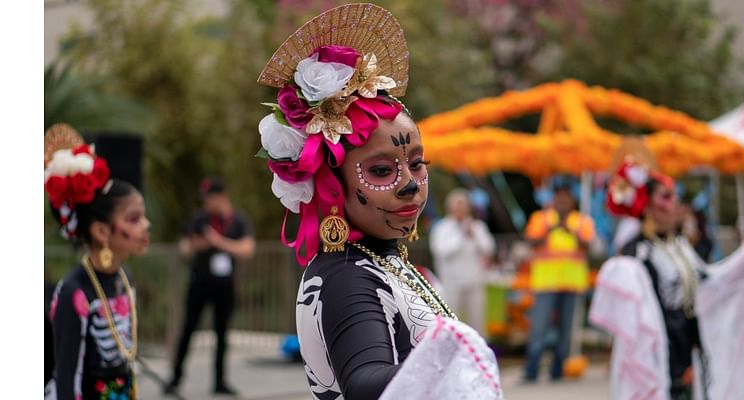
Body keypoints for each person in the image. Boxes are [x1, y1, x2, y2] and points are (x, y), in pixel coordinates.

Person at [255, 4, 502, 399]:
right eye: (382, 171)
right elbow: (365, 383)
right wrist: (458, 360)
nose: (410, 185)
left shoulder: (380, 262)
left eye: (417, 164)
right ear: (331, 186)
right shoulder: (348, 275)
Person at [590, 157, 744, 399]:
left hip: (690, 346)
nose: (674, 203)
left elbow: (707, 284)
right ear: (646, 206)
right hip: (662, 350)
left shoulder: (679, 245)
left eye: (674, 196)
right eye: (665, 197)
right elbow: (642, 316)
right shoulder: (636, 253)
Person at [45, 124, 150, 400]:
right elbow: (67, 377)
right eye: (133, 219)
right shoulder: (74, 293)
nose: (145, 226)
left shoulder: (125, 279)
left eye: (143, 216)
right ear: (102, 231)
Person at [165, 177, 255, 395]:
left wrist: (219, 242)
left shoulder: (238, 220)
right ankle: (175, 377)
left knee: (222, 333)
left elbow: (247, 249)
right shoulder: (200, 219)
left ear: (221, 197)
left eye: (209, 199)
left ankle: (220, 381)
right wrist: (200, 244)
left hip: (225, 286)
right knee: (188, 328)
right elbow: (185, 247)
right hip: (199, 283)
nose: (206, 203)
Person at [522, 176, 595, 382]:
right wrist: (550, 230)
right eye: (559, 197)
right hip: (546, 283)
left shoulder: (582, 221)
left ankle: (557, 370)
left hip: (572, 283)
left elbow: (589, 246)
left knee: (566, 329)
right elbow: (531, 241)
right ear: (554, 199)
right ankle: (531, 370)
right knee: (539, 327)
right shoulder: (541, 218)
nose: (562, 201)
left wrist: (571, 231)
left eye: (566, 198)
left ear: (572, 201)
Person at [430, 188, 495, 335]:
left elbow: (489, 249)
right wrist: (461, 235)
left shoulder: (478, 226)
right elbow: (442, 251)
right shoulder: (442, 228)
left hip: (475, 282)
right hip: (451, 283)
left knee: (477, 323)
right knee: (450, 323)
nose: (460, 208)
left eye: (463, 204)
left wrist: (474, 234)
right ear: (450, 207)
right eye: (457, 204)